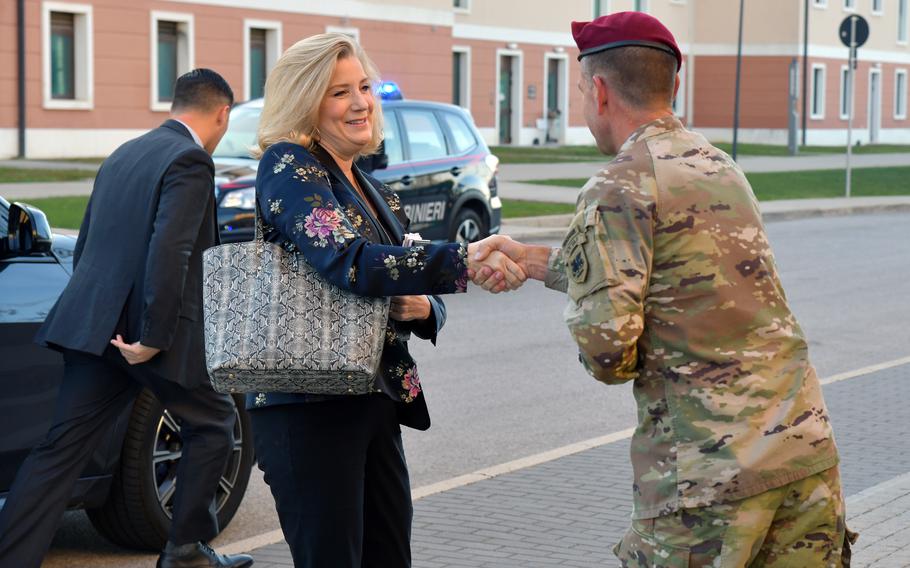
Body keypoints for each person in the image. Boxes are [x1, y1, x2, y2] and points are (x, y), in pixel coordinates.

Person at [473, 11, 854, 567]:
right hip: (801, 455)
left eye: (581, 91)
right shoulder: (719, 166)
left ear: (598, 92)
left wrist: (592, 309)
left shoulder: (619, 184)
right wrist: (535, 262)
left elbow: (608, 351)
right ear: (673, 85)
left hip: (708, 477)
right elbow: (688, 282)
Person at [248, 33, 523, 568]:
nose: (360, 103)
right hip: (308, 407)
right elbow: (348, 261)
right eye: (338, 92)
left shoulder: (371, 187)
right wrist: (464, 260)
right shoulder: (289, 166)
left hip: (371, 400)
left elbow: (408, 281)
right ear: (305, 101)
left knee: (390, 555)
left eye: (365, 87)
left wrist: (426, 308)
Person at [0, 69, 253, 568]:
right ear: (222, 112)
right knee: (216, 422)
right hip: (143, 335)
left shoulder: (123, 153)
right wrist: (154, 339)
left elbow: (90, 241)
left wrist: (102, 320)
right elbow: (171, 251)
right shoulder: (191, 159)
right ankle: (184, 551)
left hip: (93, 330)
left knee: (59, 452)